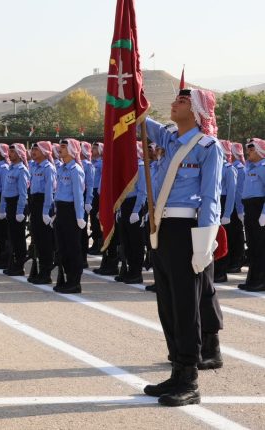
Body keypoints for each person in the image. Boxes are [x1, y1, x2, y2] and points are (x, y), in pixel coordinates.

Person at [142, 88, 223, 407]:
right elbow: (136, 117)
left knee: (186, 305)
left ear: (198, 110)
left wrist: (205, 242)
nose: (174, 104)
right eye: (176, 100)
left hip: (187, 228)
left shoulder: (208, 147)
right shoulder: (169, 137)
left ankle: (189, 379)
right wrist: (128, 87)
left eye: (183, 101)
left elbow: (211, 197)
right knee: (167, 303)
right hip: (161, 227)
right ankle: (177, 370)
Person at [53, 139, 86, 294]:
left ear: (72, 149)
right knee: (63, 248)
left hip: (71, 212)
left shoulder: (75, 170)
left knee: (73, 248)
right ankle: (66, 279)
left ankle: (75, 282)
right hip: (61, 210)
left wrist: (79, 216)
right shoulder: (61, 168)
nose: (60, 149)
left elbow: (78, 195)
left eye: (64, 147)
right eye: (60, 146)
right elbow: (58, 191)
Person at [115, 142, 147, 285]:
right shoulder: (126, 167)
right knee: (125, 240)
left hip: (135, 205)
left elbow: (142, 191)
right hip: (125, 204)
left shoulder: (141, 167)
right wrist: (119, 208)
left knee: (136, 241)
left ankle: (136, 272)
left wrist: (136, 210)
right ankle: (128, 269)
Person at [27, 141, 57, 284]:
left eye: (36, 150)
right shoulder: (34, 166)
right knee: (37, 239)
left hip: (44, 204)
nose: (33, 152)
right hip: (34, 203)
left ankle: (46, 273)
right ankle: (39, 271)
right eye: (32, 149)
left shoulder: (48, 168)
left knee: (45, 241)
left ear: (45, 152)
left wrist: (46, 211)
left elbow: (49, 191)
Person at [239, 138, 265, 292]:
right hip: (250, 209)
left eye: (251, 148)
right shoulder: (249, 168)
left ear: (260, 151)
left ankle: (261, 281)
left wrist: (264, 213)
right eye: (247, 148)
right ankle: (252, 280)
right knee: (252, 246)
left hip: (259, 209)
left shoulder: (263, 167)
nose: (248, 151)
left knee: (260, 247)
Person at [1, 143, 30, 276]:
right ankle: (13, 264)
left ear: (19, 154)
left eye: (12, 152)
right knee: (12, 236)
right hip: (10, 205)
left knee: (19, 237)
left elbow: (23, 193)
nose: (9, 154)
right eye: (9, 151)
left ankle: (19, 265)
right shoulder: (10, 168)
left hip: (17, 204)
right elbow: (5, 190)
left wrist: (20, 211)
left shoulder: (21, 170)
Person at [214, 140, 238, 283]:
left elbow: (231, 194)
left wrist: (227, 214)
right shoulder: (214, 166)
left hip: (223, 204)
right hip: (215, 202)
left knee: (223, 240)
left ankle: (221, 272)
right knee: (214, 240)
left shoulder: (229, 169)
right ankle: (215, 270)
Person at [227, 142, 246, 273]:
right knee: (231, 235)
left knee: (236, 235)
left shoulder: (239, 169)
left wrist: (240, 211)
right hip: (231, 205)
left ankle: (237, 261)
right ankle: (232, 260)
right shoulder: (234, 167)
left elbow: (239, 192)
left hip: (236, 206)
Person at [80, 142, 94, 268]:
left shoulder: (88, 165)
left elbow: (90, 185)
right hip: (74, 199)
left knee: (82, 230)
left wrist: (88, 201)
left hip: (83, 198)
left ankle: (83, 258)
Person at [88, 142, 104, 254]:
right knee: (93, 219)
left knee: (98, 219)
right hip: (91, 192)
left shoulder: (102, 163)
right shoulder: (91, 163)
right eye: (92, 148)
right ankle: (95, 243)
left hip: (98, 193)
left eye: (94, 148)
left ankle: (99, 244)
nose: (92, 150)